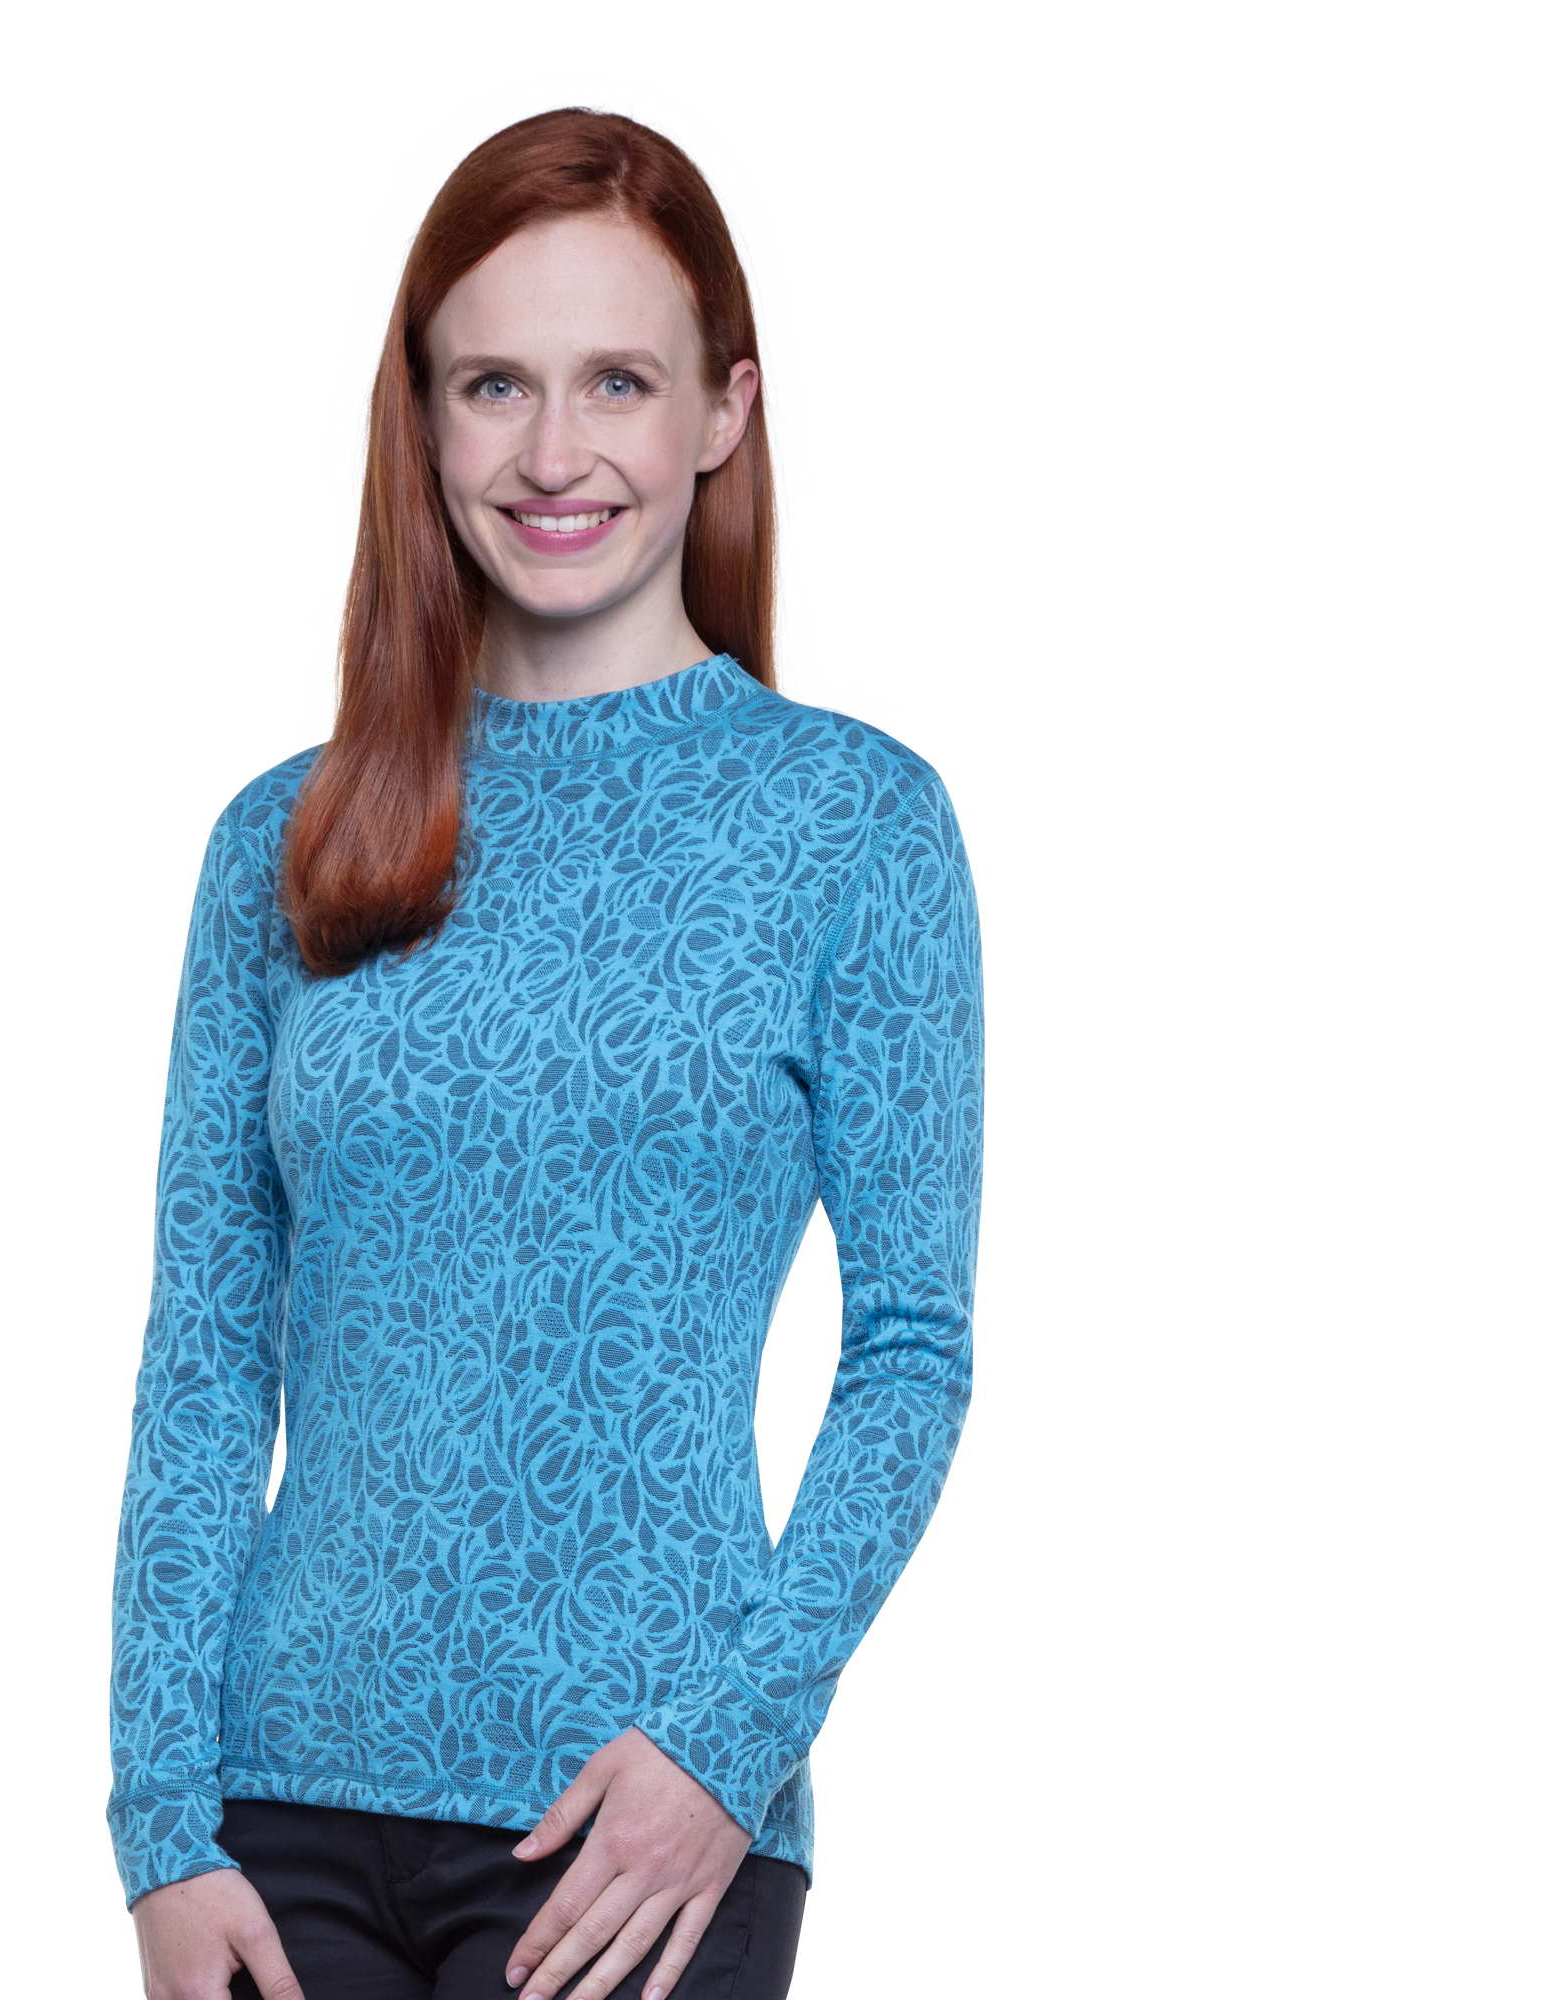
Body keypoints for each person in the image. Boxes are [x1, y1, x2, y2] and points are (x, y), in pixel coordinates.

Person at [109, 107, 981, 2000]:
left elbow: (914, 1351)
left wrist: (726, 1744)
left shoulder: (843, 821)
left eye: (619, 383)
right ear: (423, 418)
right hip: (270, 1834)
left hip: (631, 1833)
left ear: (724, 413)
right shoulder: (287, 840)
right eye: (495, 384)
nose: (555, 452)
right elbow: (201, 1364)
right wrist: (159, 1824)